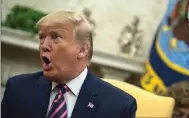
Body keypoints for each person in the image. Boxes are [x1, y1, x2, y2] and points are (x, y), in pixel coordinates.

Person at [1, 11, 137, 118]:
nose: (44, 45)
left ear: (82, 50)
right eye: (42, 37)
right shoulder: (18, 88)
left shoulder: (119, 106)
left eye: (55, 37)